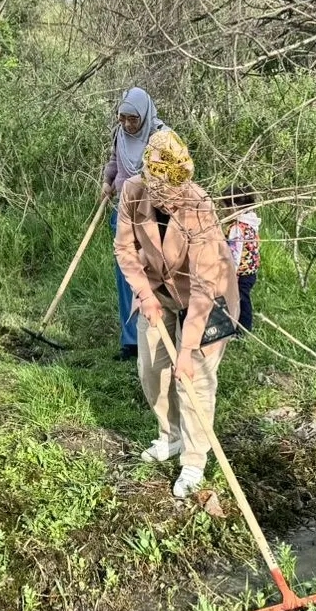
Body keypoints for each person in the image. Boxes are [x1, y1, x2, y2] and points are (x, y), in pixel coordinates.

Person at [115, 129, 241, 498]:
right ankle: (169, 436)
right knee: (151, 370)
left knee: (194, 380)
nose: (171, 200)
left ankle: (193, 461)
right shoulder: (133, 192)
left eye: (176, 193)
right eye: (164, 194)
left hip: (207, 298)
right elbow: (124, 249)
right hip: (157, 294)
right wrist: (144, 293)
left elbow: (204, 285)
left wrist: (187, 350)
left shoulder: (199, 204)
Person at [101, 87, 166, 361]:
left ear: (144, 115)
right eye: (123, 118)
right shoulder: (120, 135)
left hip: (151, 216)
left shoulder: (161, 138)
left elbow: (169, 178)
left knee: (153, 274)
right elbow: (116, 161)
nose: (127, 124)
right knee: (126, 273)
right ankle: (130, 342)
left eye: (133, 119)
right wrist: (108, 181)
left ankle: (155, 333)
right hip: (122, 214)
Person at [222, 187, 261, 331]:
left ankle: (243, 329)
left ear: (233, 207)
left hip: (240, 274)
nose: (224, 211)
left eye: (224, 207)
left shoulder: (236, 228)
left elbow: (235, 254)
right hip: (251, 272)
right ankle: (239, 326)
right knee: (242, 299)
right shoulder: (251, 223)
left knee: (241, 301)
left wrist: (230, 274)